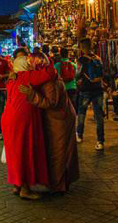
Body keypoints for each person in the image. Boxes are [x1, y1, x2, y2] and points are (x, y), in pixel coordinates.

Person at [19, 53, 80, 193]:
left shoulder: (49, 80)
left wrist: (31, 95)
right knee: (55, 151)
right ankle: (55, 183)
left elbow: (50, 102)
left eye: (30, 64)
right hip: (56, 118)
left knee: (58, 152)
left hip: (59, 120)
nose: (28, 67)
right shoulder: (46, 75)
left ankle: (58, 185)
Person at [2, 51, 56, 200]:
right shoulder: (27, 77)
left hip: (9, 118)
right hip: (22, 119)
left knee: (15, 153)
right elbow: (50, 73)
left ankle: (17, 185)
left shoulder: (13, 79)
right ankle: (25, 189)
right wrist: (44, 60)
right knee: (25, 151)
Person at [76, 38, 105, 151]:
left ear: (83, 48)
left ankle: (79, 134)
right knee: (99, 116)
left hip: (85, 89)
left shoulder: (81, 60)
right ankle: (100, 141)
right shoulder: (98, 58)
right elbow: (102, 73)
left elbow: (77, 75)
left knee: (82, 113)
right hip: (97, 89)